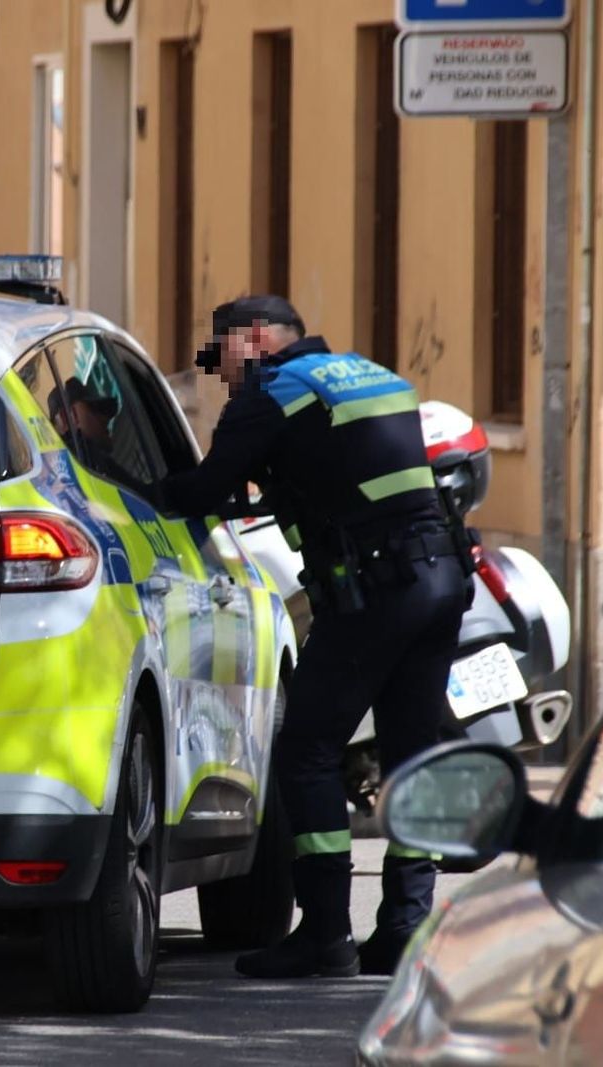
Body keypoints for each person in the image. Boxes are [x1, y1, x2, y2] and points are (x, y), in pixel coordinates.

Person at [158, 295, 472, 979]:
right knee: (411, 753)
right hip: (442, 577)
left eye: (224, 356)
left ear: (257, 338)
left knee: (306, 747)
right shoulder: (370, 373)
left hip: (378, 590)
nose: (223, 376)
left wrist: (142, 493)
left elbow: (206, 488)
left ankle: (326, 930)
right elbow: (345, 474)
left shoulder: (274, 392)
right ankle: (404, 928)